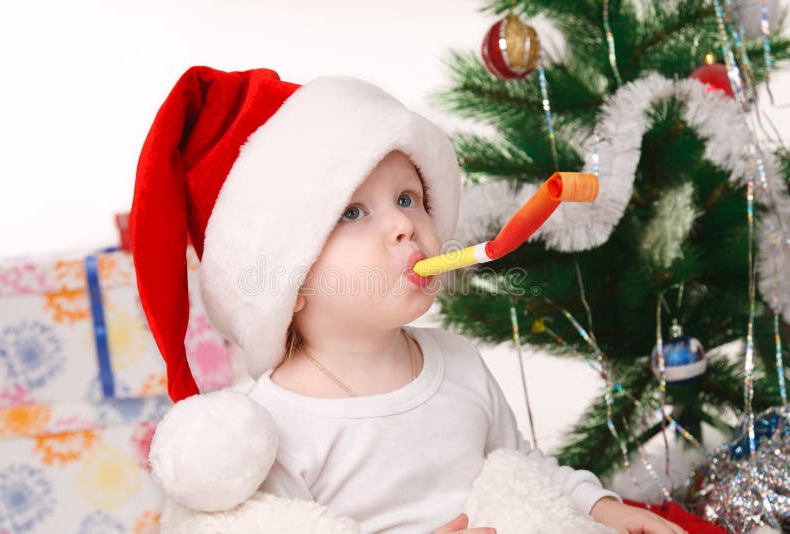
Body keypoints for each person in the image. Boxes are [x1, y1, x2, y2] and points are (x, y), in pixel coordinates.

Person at [130, 66, 686, 534]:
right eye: (353, 212)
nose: (403, 223)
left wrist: (603, 507)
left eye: (407, 197)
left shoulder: (459, 363)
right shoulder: (273, 427)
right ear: (289, 283)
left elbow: (525, 472)